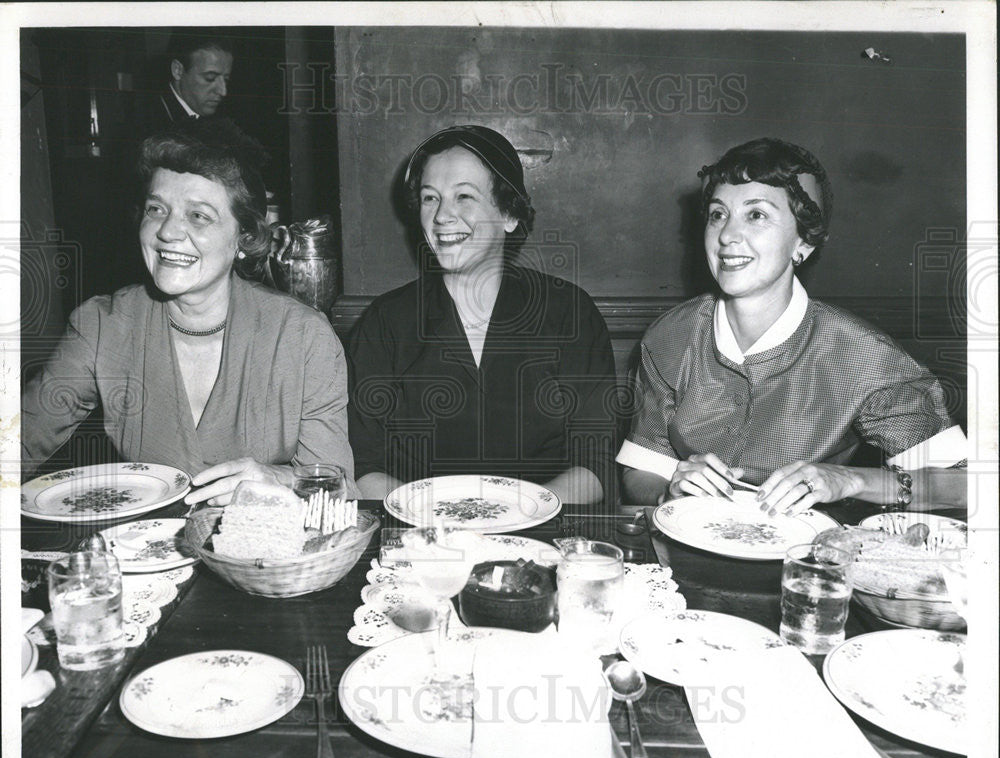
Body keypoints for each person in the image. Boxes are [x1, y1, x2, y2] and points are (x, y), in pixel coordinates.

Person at [618, 138, 966, 513]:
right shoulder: (670, 336)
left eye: (756, 215)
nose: (727, 235)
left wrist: (850, 479)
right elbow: (642, 469)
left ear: (804, 242)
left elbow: (965, 485)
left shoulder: (861, 354)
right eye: (718, 214)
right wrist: (670, 490)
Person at [21, 118, 357, 506]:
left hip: (263, 555)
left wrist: (277, 479)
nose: (167, 231)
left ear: (244, 238)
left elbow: (341, 488)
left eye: (198, 215)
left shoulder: (303, 338)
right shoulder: (102, 326)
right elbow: (17, 443)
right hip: (140, 552)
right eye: (156, 209)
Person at [347, 125, 618, 504]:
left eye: (464, 197)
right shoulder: (386, 322)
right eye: (430, 198)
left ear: (509, 213)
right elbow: (362, 469)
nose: (442, 216)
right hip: (419, 540)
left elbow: (595, 468)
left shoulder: (570, 314)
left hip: (542, 537)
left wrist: (513, 513)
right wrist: (444, 519)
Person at [150, 30, 234, 127]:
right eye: (210, 78)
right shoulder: (148, 122)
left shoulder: (222, 119)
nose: (223, 92)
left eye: (226, 80)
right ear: (177, 70)